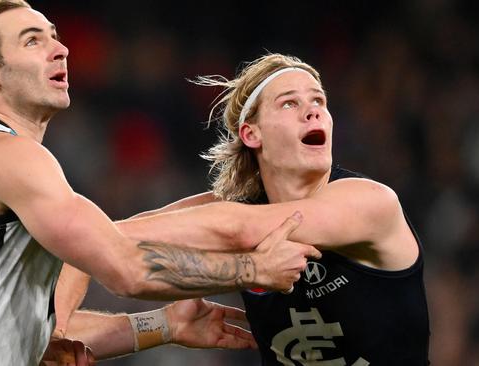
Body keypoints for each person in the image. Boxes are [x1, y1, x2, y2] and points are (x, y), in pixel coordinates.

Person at [0, 1, 322, 365]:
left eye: (54, 36)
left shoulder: (2, 160)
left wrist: (164, 324)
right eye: (33, 41)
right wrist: (254, 268)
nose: (61, 49)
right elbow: (126, 269)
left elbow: (42, 332)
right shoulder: (5, 155)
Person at [113, 53, 430, 365]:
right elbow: (115, 246)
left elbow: (240, 228)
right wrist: (163, 326)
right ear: (251, 133)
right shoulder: (228, 212)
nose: (312, 112)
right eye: (290, 103)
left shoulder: (371, 202)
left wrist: (98, 237)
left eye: (319, 101)